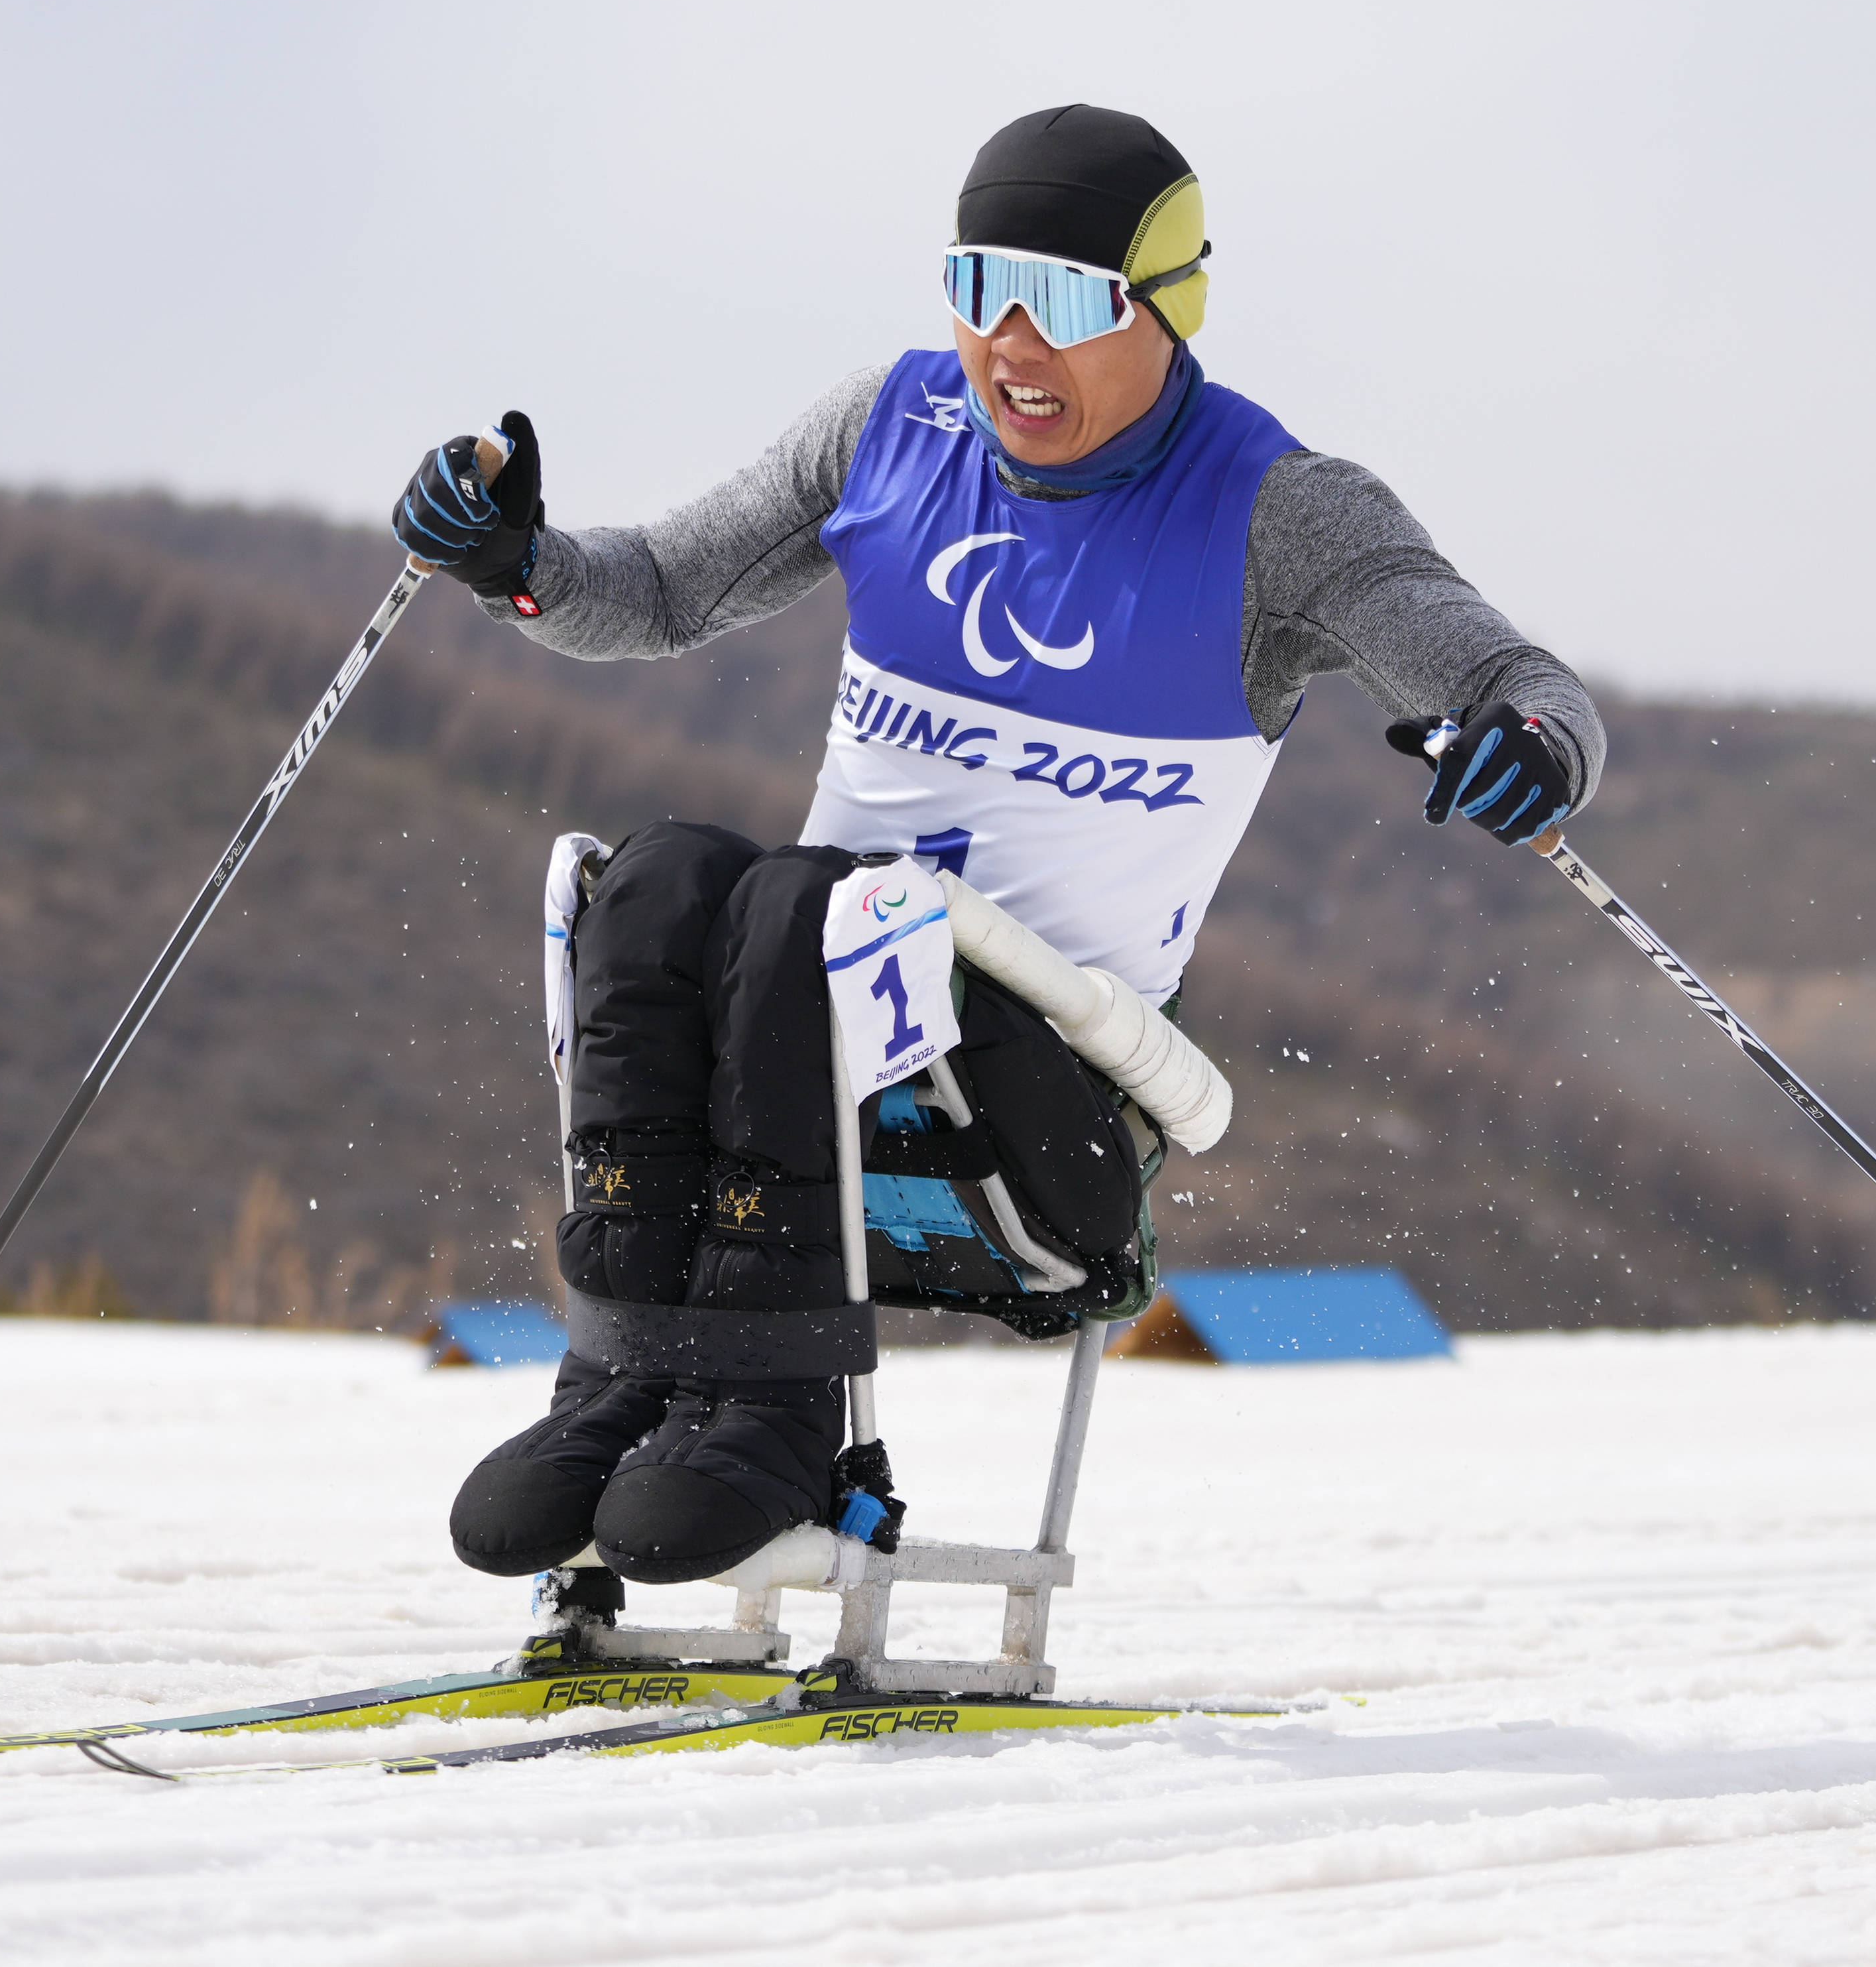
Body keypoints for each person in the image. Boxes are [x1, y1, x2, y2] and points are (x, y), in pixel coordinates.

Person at [392, 104, 1604, 1589]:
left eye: (1069, 301)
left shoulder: (1280, 516)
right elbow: (649, 592)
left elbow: (1523, 685)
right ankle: (629, 1377)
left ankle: (774, 1419)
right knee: (653, 880)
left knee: (796, 902)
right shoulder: (882, 429)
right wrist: (517, 563)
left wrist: (1528, 749)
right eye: (978, 289)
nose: (1010, 345)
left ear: (1168, 308)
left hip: (1043, 1117)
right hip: (799, 1033)